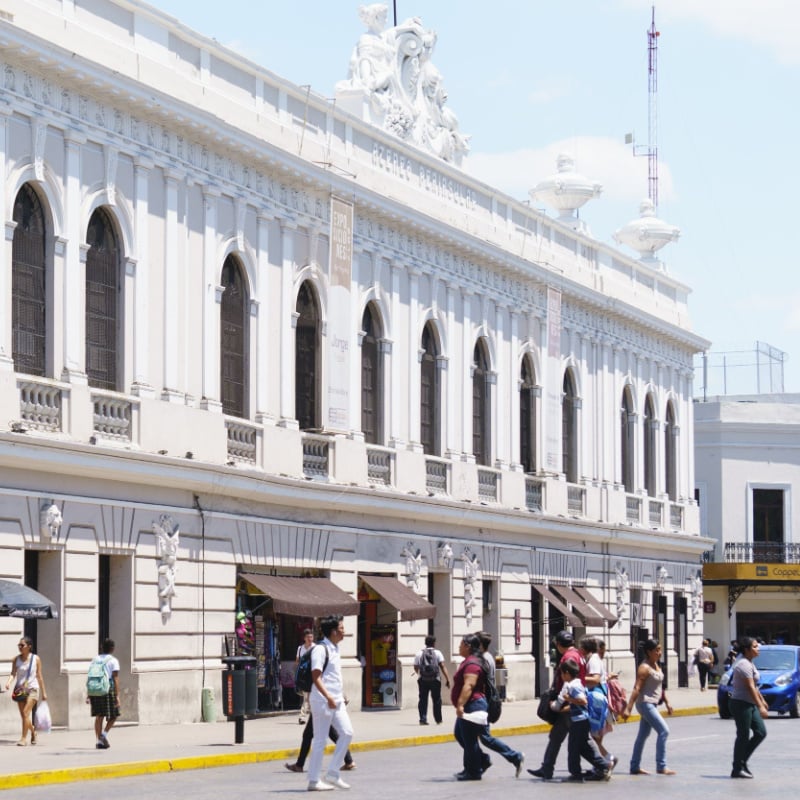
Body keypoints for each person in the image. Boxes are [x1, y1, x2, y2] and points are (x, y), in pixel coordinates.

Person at [528, 630, 584, 780]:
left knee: (561, 737)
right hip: (572, 702)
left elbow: (564, 683)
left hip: (568, 703)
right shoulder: (578, 655)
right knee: (563, 737)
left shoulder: (567, 657)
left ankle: (602, 764)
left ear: (559, 645)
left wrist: (558, 703)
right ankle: (547, 768)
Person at [307, 614, 353, 792]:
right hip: (322, 701)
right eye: (341, 628)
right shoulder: (321, 649)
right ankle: (313, 780)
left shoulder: (335, 648)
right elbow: (316, 676)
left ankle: (333, 772)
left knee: (347, 733)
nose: (344, 632)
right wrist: (328, 697)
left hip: (336, 700)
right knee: (320, 740)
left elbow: (332, 676)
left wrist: (340, 694)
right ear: (333, 631)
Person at [621, 638, 675, 775]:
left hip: (653, 704)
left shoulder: (656, 665)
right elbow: (637, 688)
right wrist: (628, 708)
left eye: (660, 649)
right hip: (645, 704)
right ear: (649, 652)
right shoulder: (644, 668)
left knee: (642, 736)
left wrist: (667, 702)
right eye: (656, 650)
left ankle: (634, 766)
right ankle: (661, 766)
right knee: (664, 731)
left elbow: (659, 687)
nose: (659, 652)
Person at [551, 658, 610, 782]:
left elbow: (583, 701)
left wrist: (569, 699)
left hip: (579, 721)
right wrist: (565, 707)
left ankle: (576, 774)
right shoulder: (576, 683)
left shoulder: (573, 685)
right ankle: (604, 765)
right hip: (581, 720)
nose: (561, 676)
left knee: (573, 748)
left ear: (567, 673)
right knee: (582, 748)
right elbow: (578, 704)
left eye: (562, 673)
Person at [475, 631, 524, 777]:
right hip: (486, 701)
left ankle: (514, 756)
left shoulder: (483, 659)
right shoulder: (488, 656)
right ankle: (481, 761)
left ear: (480, 645)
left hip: (483, 701)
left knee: (485, 737)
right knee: (472, 735)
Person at [729, 636, 769, 779]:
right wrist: (761, 707)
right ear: (746, 650)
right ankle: (737, 768)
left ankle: (742, 761)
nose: (758, 649)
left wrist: (762, 700)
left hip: (749, 703)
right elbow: (750, 686)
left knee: (760, 732)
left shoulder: (750, 663)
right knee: (743, 736)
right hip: (740, 704)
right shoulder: (743, 664)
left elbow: (755, 686)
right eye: (755, 646)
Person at [451, 633, 487, 781]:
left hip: (472, 704)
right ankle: (481, 761)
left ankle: (473, 771)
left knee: (469, 739)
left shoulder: (472, 664)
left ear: (468, 646)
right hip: (470, 704)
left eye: (461, 644)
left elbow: (469, 685)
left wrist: (460, 704)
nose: (459, 647)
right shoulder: (468, 661)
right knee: (461, 735)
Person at [4, 636, 47, 746]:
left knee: (25, 712)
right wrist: (8, 682)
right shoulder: (16, 659)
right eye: (19, 645)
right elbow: (13, 673)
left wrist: (44, 692)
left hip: (33, 688)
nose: (20, 647)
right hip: (20, 689)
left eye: (22, 645)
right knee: (24, 716)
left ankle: (23, 738)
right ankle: (33, 732)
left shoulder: (36, 659)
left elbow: (39, 675)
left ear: (29, 647)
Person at [285, 715, 355, 773]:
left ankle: (299, 765)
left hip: (319, 708)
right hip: (321, 708)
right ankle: (349, 760)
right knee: (332, 734)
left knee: (307, 735)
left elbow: (324, 697)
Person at [590, 639, 618, 768]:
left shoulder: (594, 660)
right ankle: (606, 759)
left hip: (597, 701)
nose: (603, 653)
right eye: (602, 651)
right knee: (596, 737)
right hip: (600, 700)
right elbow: (600, 679)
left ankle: (606, 760)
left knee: (595, 737)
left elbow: (596, 680)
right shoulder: (596, 660)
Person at [89, 638, 120, 749]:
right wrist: (117, 695)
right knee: (114, 714)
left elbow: (90, 675)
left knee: (99, 717)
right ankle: (103, 735)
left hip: (95, 690)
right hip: (108, 689)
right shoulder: (113, 661)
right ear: (112, 648)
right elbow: (115, 678)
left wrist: (89, 694)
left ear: (102, 647)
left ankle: (99, 742)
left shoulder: (95, 659)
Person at [413, 634, 451, 725]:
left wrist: (419, 673)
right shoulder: (438, 653)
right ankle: (438, 720)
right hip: (435, 680)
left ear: (425, 643)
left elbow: (415, 666)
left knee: (423, 699)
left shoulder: (419, 653)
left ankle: (423, 719)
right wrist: (447, 679)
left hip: (422, 679)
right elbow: (442, 666)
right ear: (434, 643)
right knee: (437, 700)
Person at [295, 628, 314, 724]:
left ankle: (308, 717)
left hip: (314, 676)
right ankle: (303, 717)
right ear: (304, 638)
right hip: (304, 677)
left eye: (311, 637)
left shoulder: (316, 647)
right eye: (308, 637)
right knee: (307, 697)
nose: (310, 639)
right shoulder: (300, 649)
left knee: (310, 697)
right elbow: (297, 662)